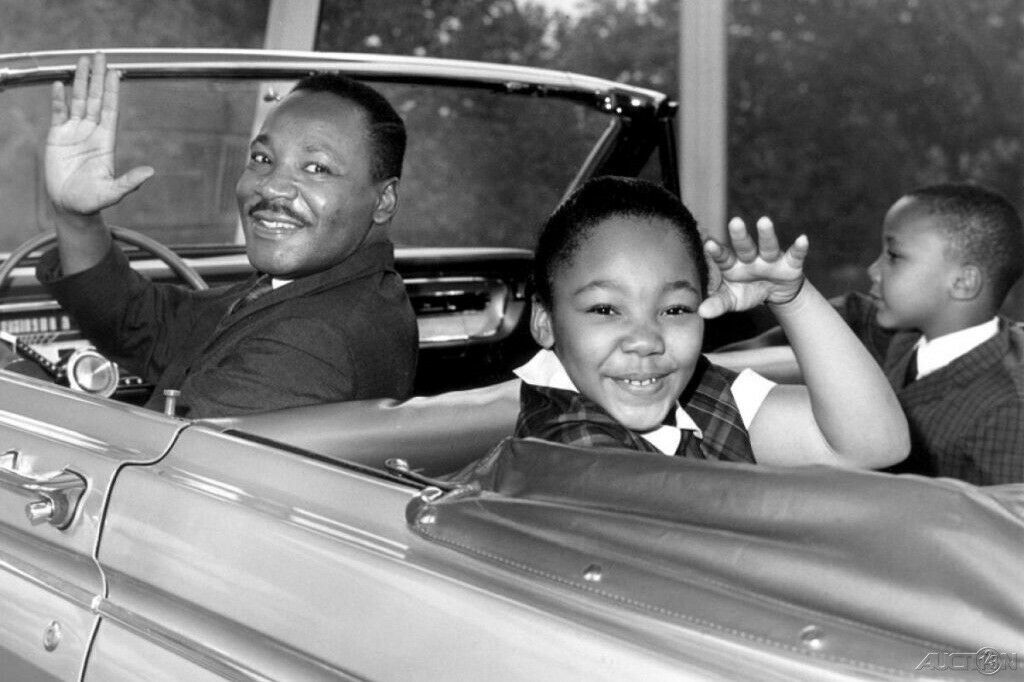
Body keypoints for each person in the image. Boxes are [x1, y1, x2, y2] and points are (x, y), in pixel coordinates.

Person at [36, 53, 417, 418]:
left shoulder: (311, 342)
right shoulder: (309, 291)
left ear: (384, 200)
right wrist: (77, 217)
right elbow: (143, 325)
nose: (271, 187)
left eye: (317, 168)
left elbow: (156, 455)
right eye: (263, 159)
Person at [509, 176, 909, 467]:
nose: (646, 340)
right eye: (605, 310)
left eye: (675, 310)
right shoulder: (565, 450)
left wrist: (793, 299)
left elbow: (875, 444)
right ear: (544, 321)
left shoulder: (697, 394)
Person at [722, 184, 1024, 484]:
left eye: (893, 256)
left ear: (963, 282)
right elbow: (838, 322)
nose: (873, 270)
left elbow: (1005, 511)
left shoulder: (1007, 410)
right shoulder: (898, 336)